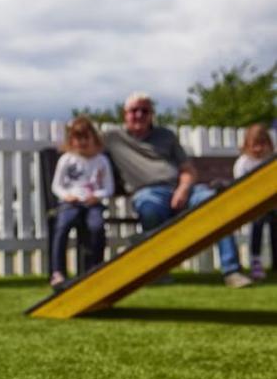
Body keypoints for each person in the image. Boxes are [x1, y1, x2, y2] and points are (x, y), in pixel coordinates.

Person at [103, 92, 252, 288]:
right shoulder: (112, 138)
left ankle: (232, 271)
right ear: (125, 114)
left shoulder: (166, 136)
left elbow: (188, 170)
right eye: (134, 110)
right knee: (148, 207)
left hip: (183, 188)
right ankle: (157, 270)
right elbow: (81, 141)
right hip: (148, 192)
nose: (139, 114)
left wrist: (182, 189)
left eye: (144, 110)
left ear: (151, 114)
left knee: (215, 204)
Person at [49, 116, 114, 287]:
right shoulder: (66, 160)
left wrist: (97, 196)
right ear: (71, 140)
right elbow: (56, 186)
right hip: (70, 203)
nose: (82, 142)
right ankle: (58, 272)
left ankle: (95, 268)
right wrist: (66, 196)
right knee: (62, 226)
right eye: (78, 138)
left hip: (92, 204)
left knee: (97, 227)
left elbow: (109, 188)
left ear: (94, 138)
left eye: (86, 137)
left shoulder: (102, 161)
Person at [234, 123, 275, 280]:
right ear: (247, 145)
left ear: (269, 145)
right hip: (252, 205)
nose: (258, 149)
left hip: (270, 204)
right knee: (258, 221)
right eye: (254, 145)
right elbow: (239, 189)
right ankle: (255, 260)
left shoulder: (271, 161)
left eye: (262, 144)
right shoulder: (243, 163)